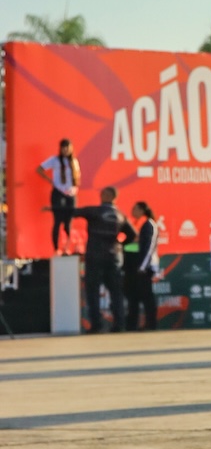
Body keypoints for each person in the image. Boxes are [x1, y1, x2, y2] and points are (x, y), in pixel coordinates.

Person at [72, 187, 134, 333]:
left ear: (110, 196)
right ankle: (119, 324)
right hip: (112, 257)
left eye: (104, 193)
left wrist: (57, 207)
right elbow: (132, 234)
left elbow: (74, 212)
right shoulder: (120, 215)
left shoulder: (95, 211)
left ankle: (96, 325)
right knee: (115, 292)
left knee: (93, 291)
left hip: (95, 256)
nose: (101, 195)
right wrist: (119, 244)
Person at [37, 139, 81, 253]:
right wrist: (49, 180)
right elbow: (40, 169)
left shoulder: (74, 161)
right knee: (57, 220)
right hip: (58, 192)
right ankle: (56, 248)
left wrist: (74, 188)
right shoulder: (55, 160)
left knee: (68, 222)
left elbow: (77, 176)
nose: (66, 150)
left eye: (68, 148)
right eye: (63, 148)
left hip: (71, 193)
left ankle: (67, 247)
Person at [126, 201, 160, 331]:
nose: (132, 212)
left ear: (141, 210)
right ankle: (137, 324)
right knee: (137, 296)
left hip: (146, 267)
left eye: (135, 209)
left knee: (147, 296)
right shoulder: (144, 225)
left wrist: (143, 266)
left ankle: (151, 324)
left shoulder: (150, 225)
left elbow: (149, 248)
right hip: (142, 266)